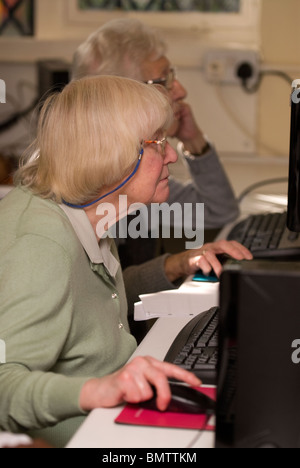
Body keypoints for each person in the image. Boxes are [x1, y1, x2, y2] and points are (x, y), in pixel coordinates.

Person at [0, 76, 251, 448]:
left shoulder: (88, 210)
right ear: (111, 152)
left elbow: (88, 301)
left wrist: (176, 265)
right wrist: (98, 389)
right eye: (157, 143)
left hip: (118, 423)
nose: (171, 155)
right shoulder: (42, 244)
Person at [72, 18, 242, 337]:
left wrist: (194, 140)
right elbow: (104, 294)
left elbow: (219, 210)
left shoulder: (140, 171)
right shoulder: (90, 183)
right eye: (164, 81)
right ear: (122, 98)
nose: (181, 90)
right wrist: (176, 263)